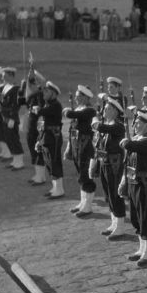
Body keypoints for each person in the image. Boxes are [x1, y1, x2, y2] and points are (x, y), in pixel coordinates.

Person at [119, 112, 147, 266]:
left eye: (139, 124)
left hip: (144, 184)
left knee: (145, 217)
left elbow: (130, 145)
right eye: (135, 123)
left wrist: (126, 142)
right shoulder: (136, 139)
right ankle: (141, 248)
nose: (135, 126)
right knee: (136, 217)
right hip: (133, 182)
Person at [93, 97, 126, 237]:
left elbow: (101, 127)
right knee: (108, 194)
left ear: (115, 112)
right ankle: (114, 222)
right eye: (104, 108)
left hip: (114, 165)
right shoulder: (107, 124)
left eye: (107, 109)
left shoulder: (117, 126)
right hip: (104, 162)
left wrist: (95, 120)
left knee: (115, 194)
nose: (104, 111)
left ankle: (120, 225)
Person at [63, 85, 97, 218]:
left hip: (86, 147)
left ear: (86, 97)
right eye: (77, 96)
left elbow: (72, 114)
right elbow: (71, 129)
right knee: (80, 175)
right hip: (77, 146)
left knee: (86, 176)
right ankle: (82, 202)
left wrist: (67, 111)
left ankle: (88, 206)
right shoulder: (78, 109)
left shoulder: (89, 110)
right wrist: (69, 148)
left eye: (79, 96)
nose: (76, 98)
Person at [32, 82, 65, 199]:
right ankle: (55, 187)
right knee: (49, 163)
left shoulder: (56, 105)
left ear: (53, 93)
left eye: (46, 92)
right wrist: (39, 140)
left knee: (54, 161)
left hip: (53, 137)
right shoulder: (48, 104)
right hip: (47, 136)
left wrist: (38, 110)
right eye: (44, 91)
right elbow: (42, 123)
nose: (44, 94)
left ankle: (60, 189)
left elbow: (43, 112)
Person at [19, 66, 46, 185]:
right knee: (32, 148)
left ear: (38, 84)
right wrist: (22, 87)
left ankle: (40, 176)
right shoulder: (31, 95)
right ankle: (38, 174)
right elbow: (20, 101)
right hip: (31, 125)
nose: (29, 86)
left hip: (37, 126)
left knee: (37, 150)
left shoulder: (40, 95)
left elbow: (41, 111)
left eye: (32, 83)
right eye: (29, 83)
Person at [0, 67, 25, 170]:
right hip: (5, 117)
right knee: (8, 139)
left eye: (4, 76)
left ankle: (19, 162)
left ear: (11, 75)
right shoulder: (6, 87)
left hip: (11, 118)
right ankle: (15, 161)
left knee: (14, 139)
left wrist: (12, 118)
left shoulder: (15, 89)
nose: (3, 77)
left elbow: (16, 105)